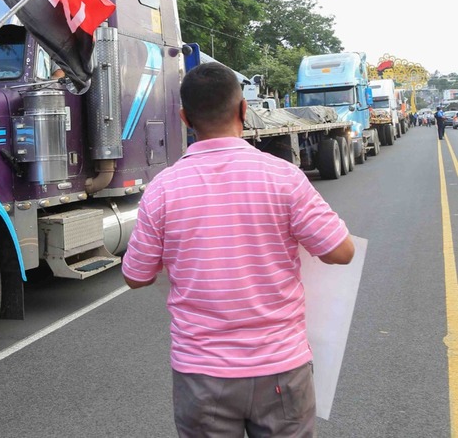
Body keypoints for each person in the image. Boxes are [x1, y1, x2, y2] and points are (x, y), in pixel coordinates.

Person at [121, 62, 355, 438]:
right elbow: (341, 252)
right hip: (281, 369)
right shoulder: (284, 178)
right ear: (244, 110)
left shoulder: (162, 189)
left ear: (184, 118)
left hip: (201, 375)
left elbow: (136, 276)